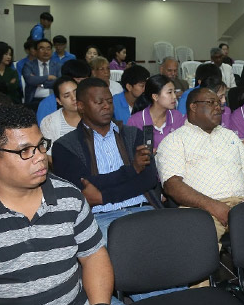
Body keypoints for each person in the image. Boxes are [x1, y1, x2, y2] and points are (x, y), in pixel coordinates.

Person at [0, 103, 142, 305]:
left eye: (41, 146)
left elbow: (94, 256)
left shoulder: (69, 196)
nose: (40, 157)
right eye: (25, 151)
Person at [52, 78, 161, 240]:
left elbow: (148, 179)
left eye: (109, 101)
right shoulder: (65, 146)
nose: (106, 106)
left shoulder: (133, 135)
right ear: (81, 106)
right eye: (99, 102)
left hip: (143, 209)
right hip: (99, 218)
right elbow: (83, 188)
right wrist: (132, 170)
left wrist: (103, 197)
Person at [156, 87, 244, 242]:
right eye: (211, 103)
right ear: (193, 107)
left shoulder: (228, 135)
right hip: (203, 210)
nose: (219, 107)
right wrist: (213, 206)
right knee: (199, 245)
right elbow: (172, 185)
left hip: (241, 204)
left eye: (219, 103)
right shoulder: (175, 141)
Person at [127, 74, 185, 151]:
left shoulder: (177, 116)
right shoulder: (135, 121)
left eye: (174, 92)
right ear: (155, 97)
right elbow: (131, 153)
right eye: (170, 92)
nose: (174, 96)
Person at [36, 59, 91, 125]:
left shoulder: (90, 97)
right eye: (79, 81)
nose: (84, 85)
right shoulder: (47, 104)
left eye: (86, 81)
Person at [39, 76, 80, 158]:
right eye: (67, 96)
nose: (74, 98)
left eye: (76, 92)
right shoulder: (49, 122)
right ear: (59, 101)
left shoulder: (95, 116)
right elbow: (49, 156)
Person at [22, 38, 61, 107]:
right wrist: (48, 77)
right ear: (36, 51)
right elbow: (30, 80)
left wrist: (41, 83)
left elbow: (59, 83)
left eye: (48, 49)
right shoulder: (29, 65)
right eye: (42, 49)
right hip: (34, 100)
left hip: (53, 99)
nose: (46, 52)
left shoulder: (57, 66)